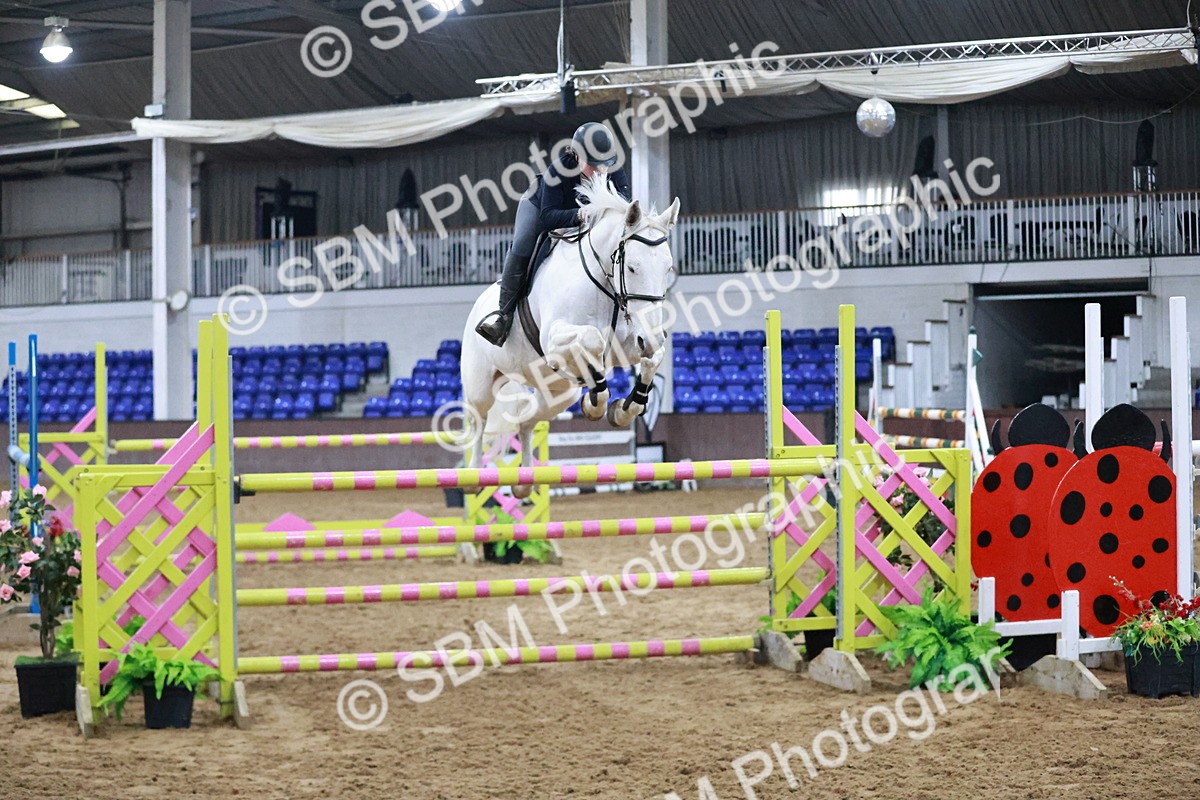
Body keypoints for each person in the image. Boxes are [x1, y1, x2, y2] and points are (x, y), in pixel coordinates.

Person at [474, 122, 631, 346]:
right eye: (593, 165)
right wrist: (578, 214)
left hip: (583, 217)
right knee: (523, 244)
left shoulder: (613, 169)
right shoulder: (558, 171)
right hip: (540, 204)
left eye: (603, 165)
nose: (599, 171)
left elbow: (622, 208)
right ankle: (503, 315)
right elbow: (548, 217)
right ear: (577, 156)